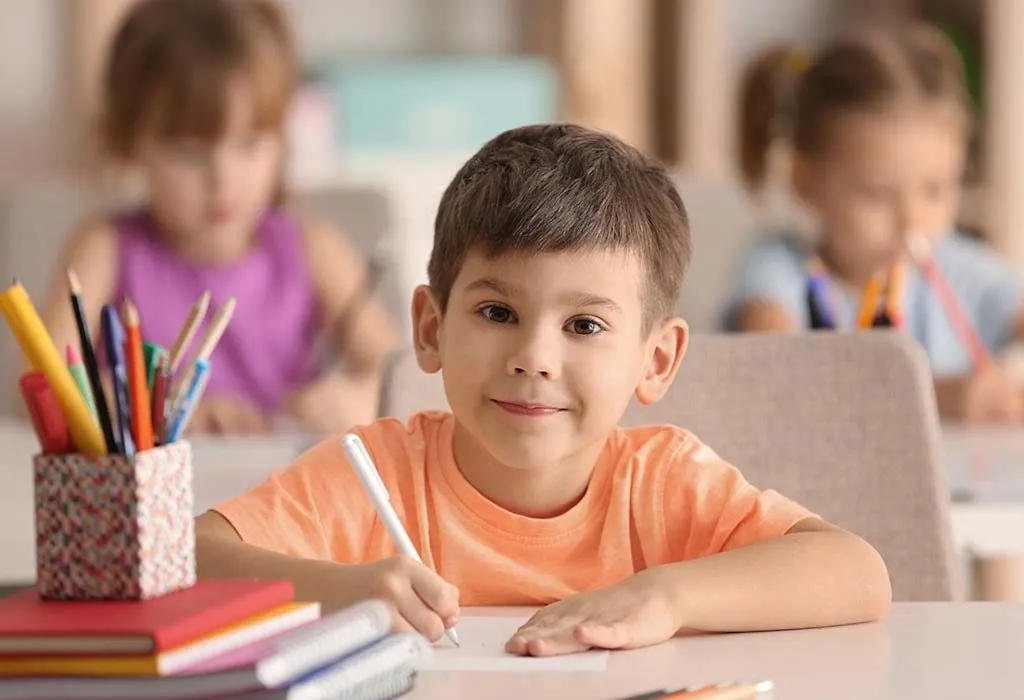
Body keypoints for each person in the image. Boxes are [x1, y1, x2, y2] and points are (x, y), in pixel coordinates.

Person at [195, 124, 891, 657]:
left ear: (656, 359)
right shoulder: (375, 474)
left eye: (584, 325)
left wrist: (668, 595)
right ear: (431, 329)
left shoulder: (662, 484)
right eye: (497, 313)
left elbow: (858, 573)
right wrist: (336, 589)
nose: (534, 358)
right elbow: (190, 557)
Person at [41, 0, 396, 435]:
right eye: (189, 151)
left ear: (281, 136)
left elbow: (403, 375)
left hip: (286, 491)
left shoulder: (314, 249)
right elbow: (46, 387)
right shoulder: (104, 248)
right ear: (130, 140)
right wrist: (156, 409)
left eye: (248, 144)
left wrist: (362, 397)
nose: (222, 180)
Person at [725, 24, 1024, 424]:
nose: (912, 220)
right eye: (878, 194)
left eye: (935, 190)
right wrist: (935, 396)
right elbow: (777, 374)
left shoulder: (959, 268)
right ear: (804, 179)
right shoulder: (780, 270)